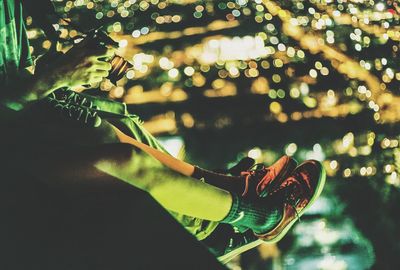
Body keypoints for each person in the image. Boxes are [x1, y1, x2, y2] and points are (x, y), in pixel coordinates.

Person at [0, 0, 326, 263]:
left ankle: (230, 186)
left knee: (108, 128)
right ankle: (257, 219)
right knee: (124, 160)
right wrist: (54, 77)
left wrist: (55, 75)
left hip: (21, 127)